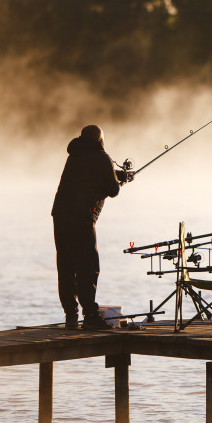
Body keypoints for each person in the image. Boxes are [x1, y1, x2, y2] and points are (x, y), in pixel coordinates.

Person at [51, 124, 129, 330]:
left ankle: (70, 316)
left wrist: (117, 176)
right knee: (88, 266)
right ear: (100, 140)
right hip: (81, 218)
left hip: (60, 215)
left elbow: (90, 178)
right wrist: (122, 180)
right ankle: (91, 316)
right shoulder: (101, 157)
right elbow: (112, 190)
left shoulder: (74, 155)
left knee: (66, 265)